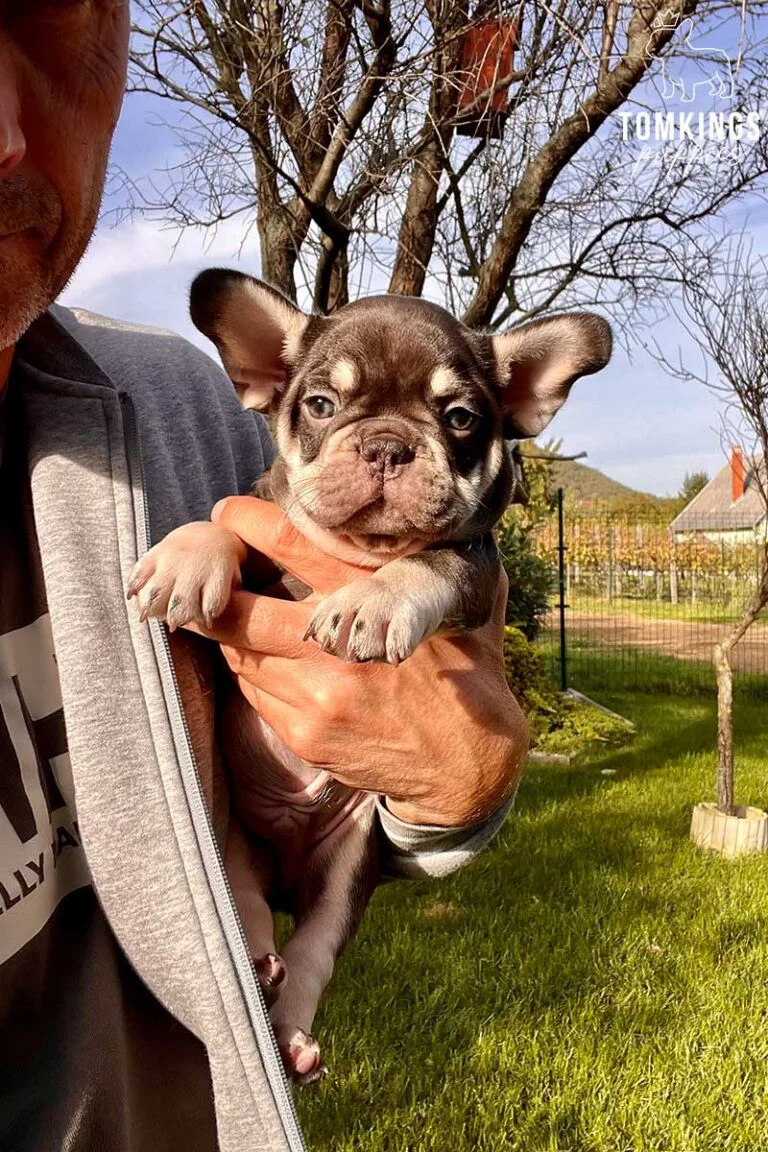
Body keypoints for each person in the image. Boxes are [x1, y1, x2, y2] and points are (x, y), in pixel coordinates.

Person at [0, 3, 528, 1150]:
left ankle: (282, 997)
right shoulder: (229, 461)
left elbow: (447, 731)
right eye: (332, 410)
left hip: (304, 861)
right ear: (272, 378)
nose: (382, 456)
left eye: (48, 18)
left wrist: (460, 792)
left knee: (305, 901)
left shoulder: (178, 421)